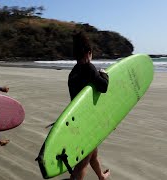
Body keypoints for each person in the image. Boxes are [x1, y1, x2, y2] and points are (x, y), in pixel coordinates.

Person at [68, 32, 111, 180]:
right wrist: (104, 74)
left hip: (77, 119)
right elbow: (103, 87)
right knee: (82, 163)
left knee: (92, 153)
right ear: (89, 52)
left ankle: (101, 176)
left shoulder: (72, 73)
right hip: (88, 122)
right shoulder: (89, 68)